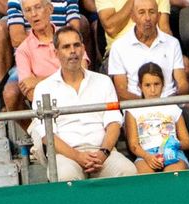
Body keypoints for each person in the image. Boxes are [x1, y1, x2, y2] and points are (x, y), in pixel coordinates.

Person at [26, 25, 136, 179]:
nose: (73, 51)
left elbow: (114, 123)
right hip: (66, 156)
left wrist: (103, 153)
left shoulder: (103, 81)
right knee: (65, 176)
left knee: (128, 171)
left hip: (103, 152)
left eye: (76, 45)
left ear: (83, 49)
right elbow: (46, 134)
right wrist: (78, 156)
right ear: (56, 53)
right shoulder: (44, 88)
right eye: (66, 47)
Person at [106, 0, 187, 101]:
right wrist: (145, 104)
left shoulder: (172, 43)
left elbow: (182, 83)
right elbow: (121, 91)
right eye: (141, 12)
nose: (147, 18)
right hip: (136, 106)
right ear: (132, 17)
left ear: (158, 16)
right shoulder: (118, 47)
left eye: (152, 12)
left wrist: (170, 100)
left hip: (170, 103)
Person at [125, 61, 189, 172]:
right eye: (147, 85)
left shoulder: (172, 106)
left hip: (173, 152)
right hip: (145, 154)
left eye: (156, 84)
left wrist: (174, 145)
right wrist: (147, 157)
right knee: (146, 176)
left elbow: (187, 142)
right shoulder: (132, 109)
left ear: (163, 84)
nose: (153, 90)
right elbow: (133, 144)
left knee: (173, 174)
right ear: (140, 86)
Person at [3, 0, 57, 119]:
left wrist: (38, 81)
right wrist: (66, 80)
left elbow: (82, 75)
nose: (33, 14)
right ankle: (31, 131)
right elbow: (32, 94)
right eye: (28, 10)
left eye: (38, 7)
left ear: (50, 9)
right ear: (25, 16)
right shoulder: (23, 50)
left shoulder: (68, 39)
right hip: (47, 115)